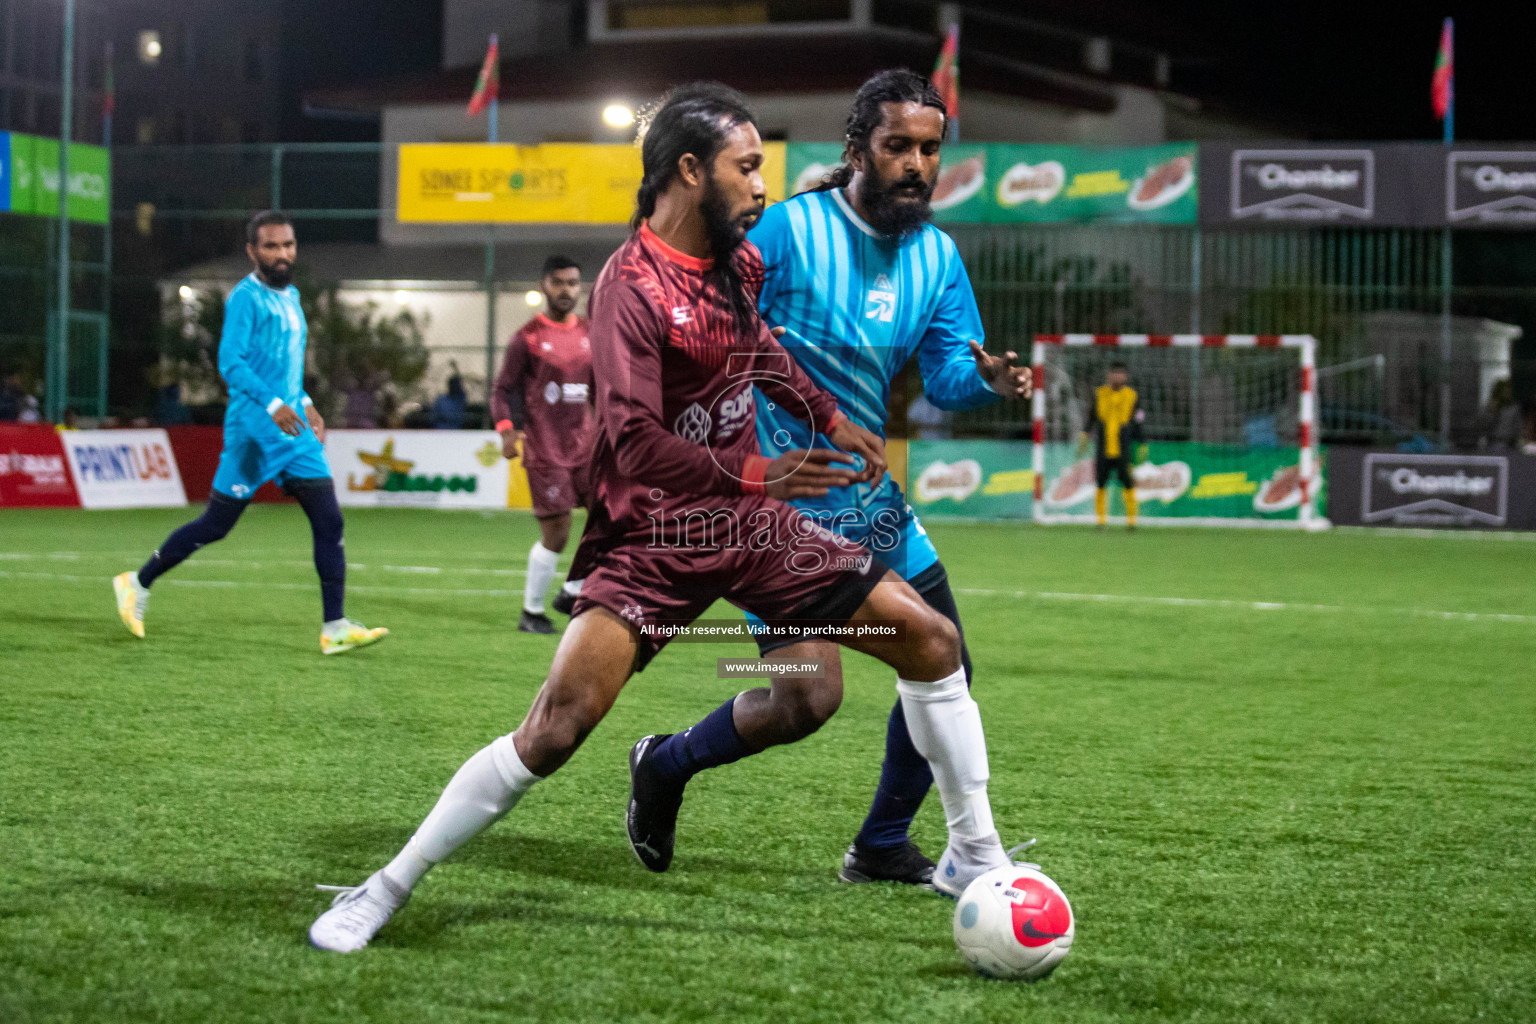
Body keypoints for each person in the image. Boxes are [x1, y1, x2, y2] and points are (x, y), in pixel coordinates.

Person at [307, 82, 1014, 953]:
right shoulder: (628, 289)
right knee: (554, 729)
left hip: (754, 525)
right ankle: (382, 888)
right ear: (690, 170)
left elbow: (760, 348)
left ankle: (976, 856)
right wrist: (764, 467)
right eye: (747, 167)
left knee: (934, 643)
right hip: (657, 536)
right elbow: (635, 442)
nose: (764, 186)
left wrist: (831, 422)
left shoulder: (738, 261)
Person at [626, 69, 1032, 892]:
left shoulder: (939, 258)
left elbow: (948, 372)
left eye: (929, 149)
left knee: (944, 660)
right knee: (808, 701)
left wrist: (984, 378)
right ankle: (665, 764)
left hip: (875, 507)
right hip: (781, 511)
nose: (917, 164)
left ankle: (882, 844)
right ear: (856, 151)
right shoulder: (784, 233)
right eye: (897, 147)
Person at [113, 211, 387, 655]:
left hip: (291, 427)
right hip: (254, 428)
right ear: (252, 251)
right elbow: (231, 363)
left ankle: (335, 625)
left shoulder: (293, 298)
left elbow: (289, 370)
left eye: (289, 245)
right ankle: (137, 582)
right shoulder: (246, 298)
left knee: (328, 518)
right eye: (272, 247)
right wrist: (275, 404)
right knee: (216, 525)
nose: (282, 254)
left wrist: (306, 404)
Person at [490, 256, 594, 634]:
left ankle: (573, 589)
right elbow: (503, 388)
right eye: (559, 283)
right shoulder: (528, 337)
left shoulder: (590, 332)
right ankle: (531, 612)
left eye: (572, 283)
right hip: (546, 448)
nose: (566, 290)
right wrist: (506, 430)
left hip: (587, 446)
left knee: (613, 516)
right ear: (544, 286)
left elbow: (603, 388)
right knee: (558, 533)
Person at [1078, 361, 1145, 528]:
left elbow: (1138, 421)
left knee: (1127, 480)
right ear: (1109, 375)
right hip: (1103, 445)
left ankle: (1131, 520)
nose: (1117, 376)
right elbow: (1092, 417)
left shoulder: (1132, 396)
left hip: (1123, 446)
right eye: (1114, 373)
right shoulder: (1100, 393)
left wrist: (1143, 441)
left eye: (1120, 373)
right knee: (1100, 481)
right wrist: (1085, 434)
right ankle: (1101, 520)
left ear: (1125, 376)